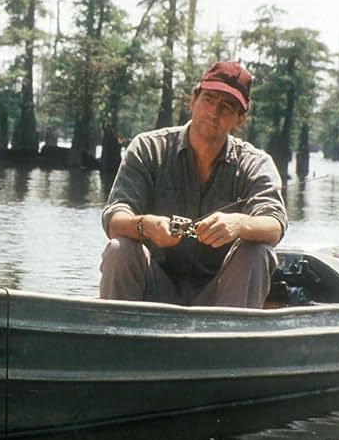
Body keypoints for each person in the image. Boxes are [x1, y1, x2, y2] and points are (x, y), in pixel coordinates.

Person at [99, 61, 287, 308]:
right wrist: (147, 226)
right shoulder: (149, 148)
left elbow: (275, 223)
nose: (214, 112)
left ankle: (233, 337)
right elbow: (114, 219)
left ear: (240, 119)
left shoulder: (255, 162)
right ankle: (118, 336)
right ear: (193, 101)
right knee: (119, 249)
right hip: (154, 288)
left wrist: (239, 224)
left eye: (226, 107)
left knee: (257, 252)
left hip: (223, 296)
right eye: (208, 99)